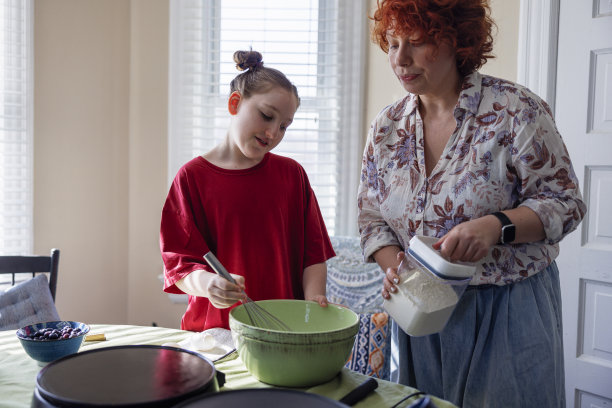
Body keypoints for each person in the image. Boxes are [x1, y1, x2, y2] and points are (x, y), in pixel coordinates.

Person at [358, 1, 586, 407]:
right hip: (419, 312)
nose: (400, 59)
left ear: (456, 41)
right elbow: (371, 214)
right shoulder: (386, 127)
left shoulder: (515, 111)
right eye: (392, 44)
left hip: (508, 310)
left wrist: (497, 225)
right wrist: (394, 266)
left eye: (416, 43)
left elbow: (565, 202)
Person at [161, 50, 334, 332]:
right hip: (216, 333)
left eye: (283, 126)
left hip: (283, 330)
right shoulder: (191, 178)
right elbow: (179, 266)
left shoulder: (292, 176)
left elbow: (313, 257)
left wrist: (313, 300)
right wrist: (209, 284)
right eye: (266, 116)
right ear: (235, 103)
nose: (273, 133)